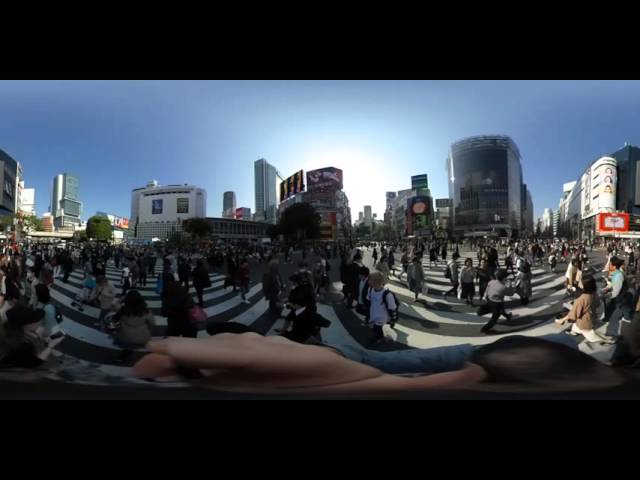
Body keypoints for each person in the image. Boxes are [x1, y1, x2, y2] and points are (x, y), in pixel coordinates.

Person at [132, 331, 626, 394]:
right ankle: (565, 342)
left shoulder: (234, 380)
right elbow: (154, 357)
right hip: (348, 357)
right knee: (467, 355)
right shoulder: (227, 360)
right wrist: (166, 347)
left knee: (453, 359)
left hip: (353, 364)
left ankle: (565, 343)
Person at [0, 305, 65, 368]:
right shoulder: (23, 346)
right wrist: (50, 346)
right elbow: (35, 364)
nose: (39, 322)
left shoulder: (10, 331)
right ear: (27, 324)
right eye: (35, 320)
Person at [555, 276, 614, 344]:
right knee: (579, 329)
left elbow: (574, 313)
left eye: (580, 282)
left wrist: (562, 320)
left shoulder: (582, 299)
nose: (579, 283)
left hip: (584, 320)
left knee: (591, 336)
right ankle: (573, 332)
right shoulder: (594, 292)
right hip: (591, 316)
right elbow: (597, 304)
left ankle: (607, 340)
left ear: (585, 285)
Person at [112, 290, 156, 363]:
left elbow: (115, 304)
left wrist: (122, 298)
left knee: (127, 344)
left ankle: (123, 356)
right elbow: (152, 323)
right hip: (142, 338)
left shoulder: (122, 310)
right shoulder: (146, 312)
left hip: (125, 337)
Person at [602, 256, 634, 337]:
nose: (609, 266)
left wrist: (607, 295)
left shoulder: (619, 275)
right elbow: (613, 283)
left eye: (610, 264)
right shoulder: (616, 272)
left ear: (614, 266)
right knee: (617, 305)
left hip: (621, 295)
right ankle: (608, 317)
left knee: (620, 305)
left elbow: (616, 291)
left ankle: (627, 318)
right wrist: (606, 288)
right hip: (622, 295)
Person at [479, 269, 514, 334]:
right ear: (503, 278)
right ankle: (484, 329)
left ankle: (507, 316)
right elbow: (511, 293)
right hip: (497, 303)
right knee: (494, 318)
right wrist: (510, 285)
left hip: (490, 299)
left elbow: (487, 289)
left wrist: (485, 295)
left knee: (501, 310)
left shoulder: (491, 281)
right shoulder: (503, 287)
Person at [366, 271, 396, 344]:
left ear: (376, 282)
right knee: (375, 329)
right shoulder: (370, 289)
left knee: (377, 329)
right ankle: (379, 338)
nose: (368, 281)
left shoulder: (387, 294)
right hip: (373, 315)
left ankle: (378, 339)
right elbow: (369, 299)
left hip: (381, 318)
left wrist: (391, 318)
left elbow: (392, 307)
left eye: (370, 280)